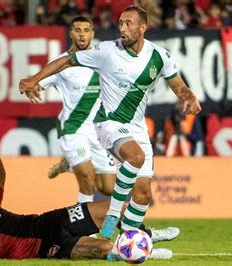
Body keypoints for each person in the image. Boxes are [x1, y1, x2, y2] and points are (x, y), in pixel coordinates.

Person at [19, 4, 201, 257]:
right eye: (121, 23)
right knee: (134, 158)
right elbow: (67, 60)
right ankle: (110, 220)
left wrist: (189, 97)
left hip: (136, 128)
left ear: (143, 27)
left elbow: (179, 88)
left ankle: (135, 244)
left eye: (128, 23)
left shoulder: (159, 56)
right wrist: (34, 79)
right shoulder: (106, 51)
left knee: (143, 193)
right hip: (108, 123)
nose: (122, 28)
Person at [0, 112, 177, 260]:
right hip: (45, 248)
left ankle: (146, 235)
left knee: (113, 208)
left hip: (51, 221)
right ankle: (146, 252)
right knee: (104, 250)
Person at [32, 16, 117, 203]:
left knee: (108, 188)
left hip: (98, 131)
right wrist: (33, 86)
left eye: (86, 30)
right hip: (73, 127)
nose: (82, 34)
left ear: (92, 34)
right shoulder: (60, 63)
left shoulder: (102, 60)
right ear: (71, 34)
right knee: (87, 180)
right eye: (77, 30)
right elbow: (38, 83)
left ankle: (68, 164)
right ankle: (85, 230)